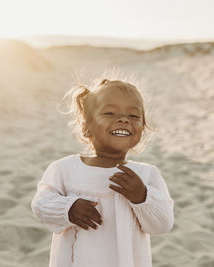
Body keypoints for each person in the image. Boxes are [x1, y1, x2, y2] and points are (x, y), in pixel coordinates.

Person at [31, 78, 174, 267]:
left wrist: (142, 196)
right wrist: (68, 208)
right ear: (86, 127)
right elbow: (40, 205)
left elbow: (163, 225)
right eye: (110, 113)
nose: (123, 119)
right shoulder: (65, 169)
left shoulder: (146, 174)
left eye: (133, 116)